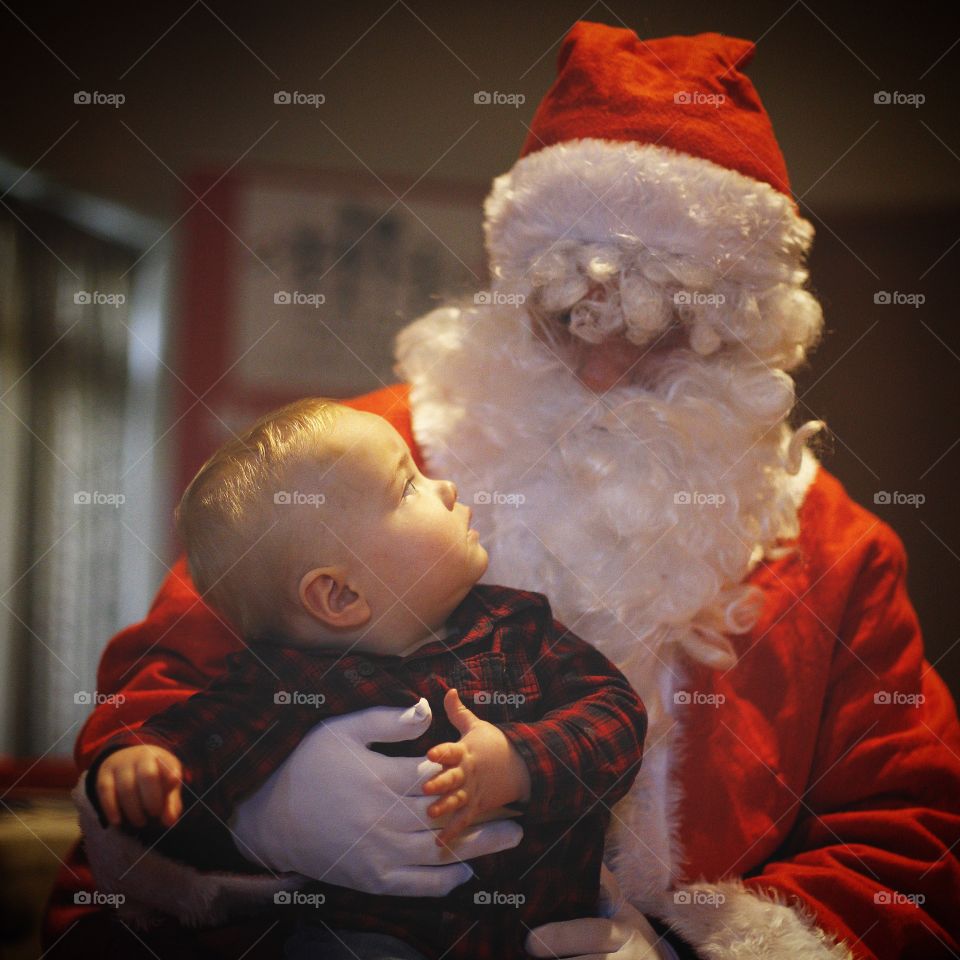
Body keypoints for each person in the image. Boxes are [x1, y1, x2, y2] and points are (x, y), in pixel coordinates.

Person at [46, 22, 960, 960]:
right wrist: (253, 813)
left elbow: (908, 836)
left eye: (658, 329)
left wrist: (687, 953)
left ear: (746, 331)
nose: (601, 373)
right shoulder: (361, 461)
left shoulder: (840, 551)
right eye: (568, 315)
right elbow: (156, 709)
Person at [79, 397, 647, 960]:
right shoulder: (281, 682)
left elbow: (617, 714)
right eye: (408, 487)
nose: (445, 487)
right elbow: (198, 738)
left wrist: (520, 760)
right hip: (372, 938)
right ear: (340, 594)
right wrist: (142, 759)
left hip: (541, 931)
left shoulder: (518, 629)